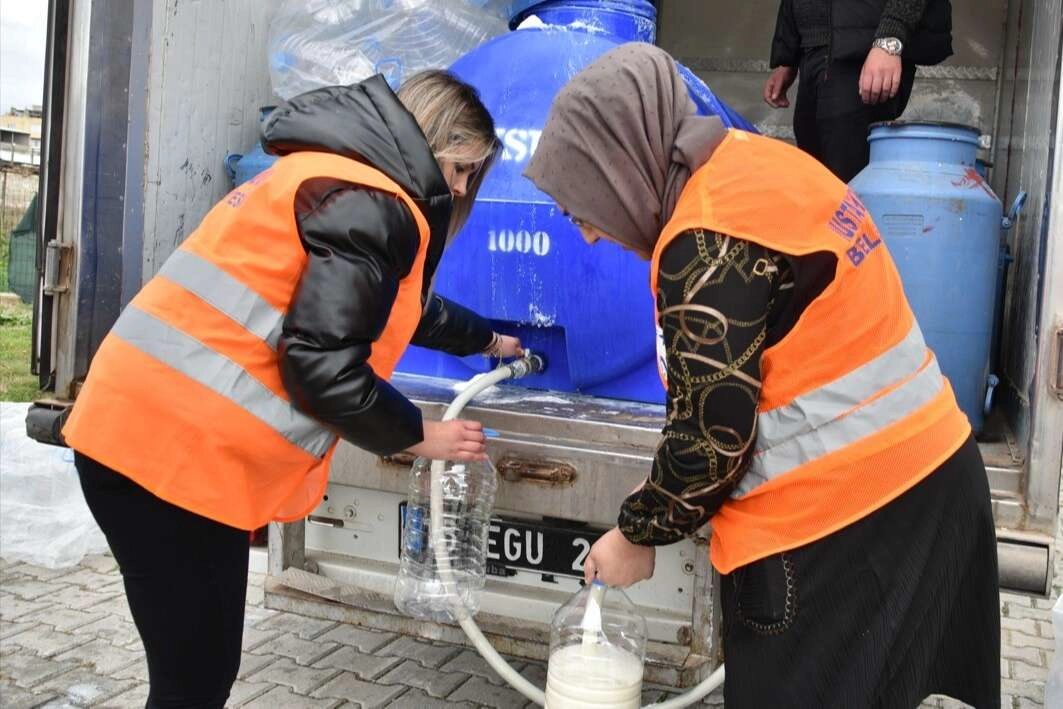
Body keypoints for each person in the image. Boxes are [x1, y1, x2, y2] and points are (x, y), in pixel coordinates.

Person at [525, 44, 999, 708]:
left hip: (844, 524)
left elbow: (712, 442)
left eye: (583, 209)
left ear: (620, 167)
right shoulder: (760, 167)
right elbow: (770, 386)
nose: (589, 236)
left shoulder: (706, 239)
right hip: (928, 484)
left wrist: (637, 531)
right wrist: (663, 488)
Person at [62, 70, 521, 708]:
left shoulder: (330, 176)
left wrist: (489, 341)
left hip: (144, 436)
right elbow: (323, 369)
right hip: (171, 458)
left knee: (195, 671)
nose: (461, 188)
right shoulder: (376, 202)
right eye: (461, 167)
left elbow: (387, 305)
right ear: (431, 139)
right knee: (194, 679)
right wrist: (421, 436)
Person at [763, 0, 953, 182]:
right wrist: (789, 55)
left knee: (847, 183)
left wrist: (890, 38)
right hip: (814, 52)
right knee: (815, 184)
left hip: (865, 56)